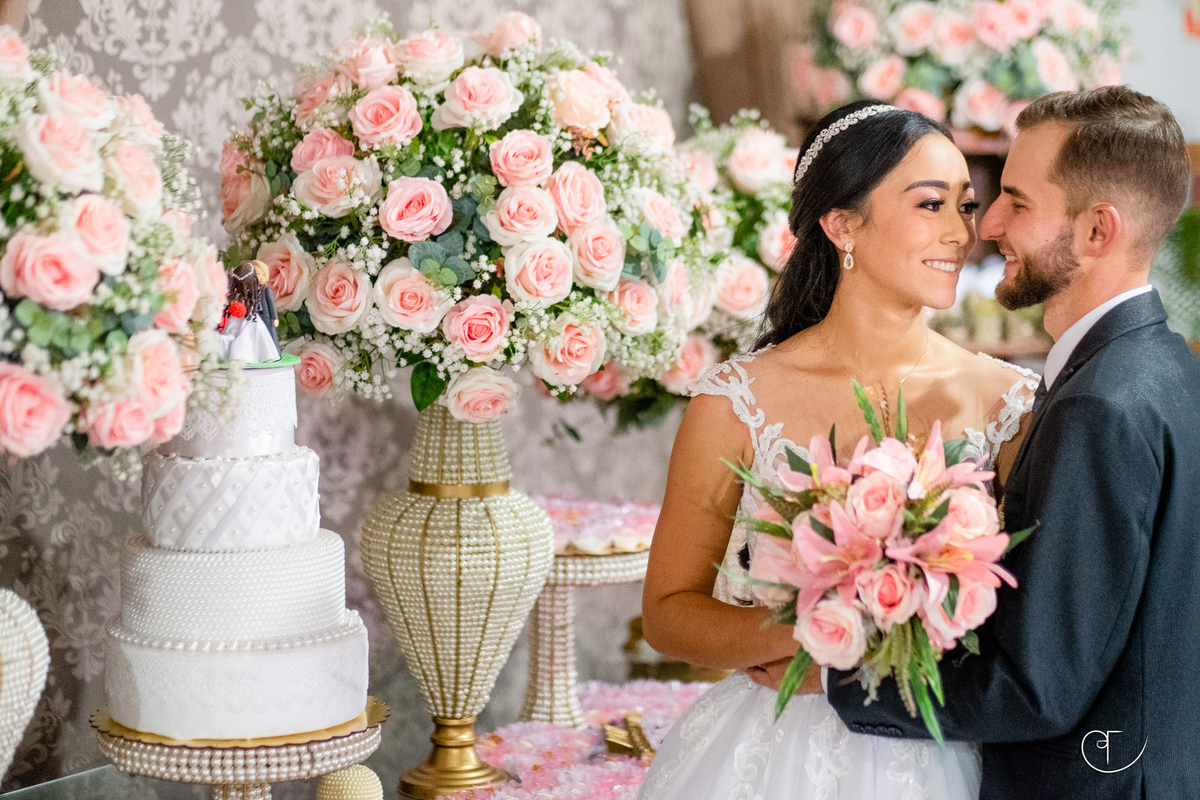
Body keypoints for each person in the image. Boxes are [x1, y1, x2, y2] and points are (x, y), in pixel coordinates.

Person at [637, 100, 1038, 800]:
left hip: (952, 746)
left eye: (965, 206)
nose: (960, 232)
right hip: (770, 753)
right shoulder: (734, 402)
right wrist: (812, 638)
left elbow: (1033, 620)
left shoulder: (1007, 404)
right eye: (931, 204)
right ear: (841, 223)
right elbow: (669, 613)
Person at [826, 87, 1200, 799]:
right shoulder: (1171, 368)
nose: (986, 223)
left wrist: (834, 672)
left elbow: (1035, 688)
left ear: (1098, 231)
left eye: (1018, 203)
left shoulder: (1100, 406)